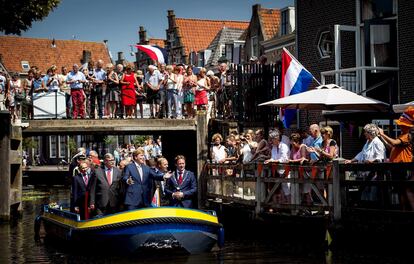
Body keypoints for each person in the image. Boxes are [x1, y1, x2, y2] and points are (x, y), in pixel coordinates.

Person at [379, 107, 414, 210]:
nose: (400, 126)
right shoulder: (402, 135)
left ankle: (406, 211)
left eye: (403, 125)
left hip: (403, 167)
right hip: (398, 167)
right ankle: (403, 210)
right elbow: (392, 147)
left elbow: (394, 143)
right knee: (400, 190)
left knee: (404, 190)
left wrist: (382, 134)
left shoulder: (407, 136)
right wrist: (382, 138)